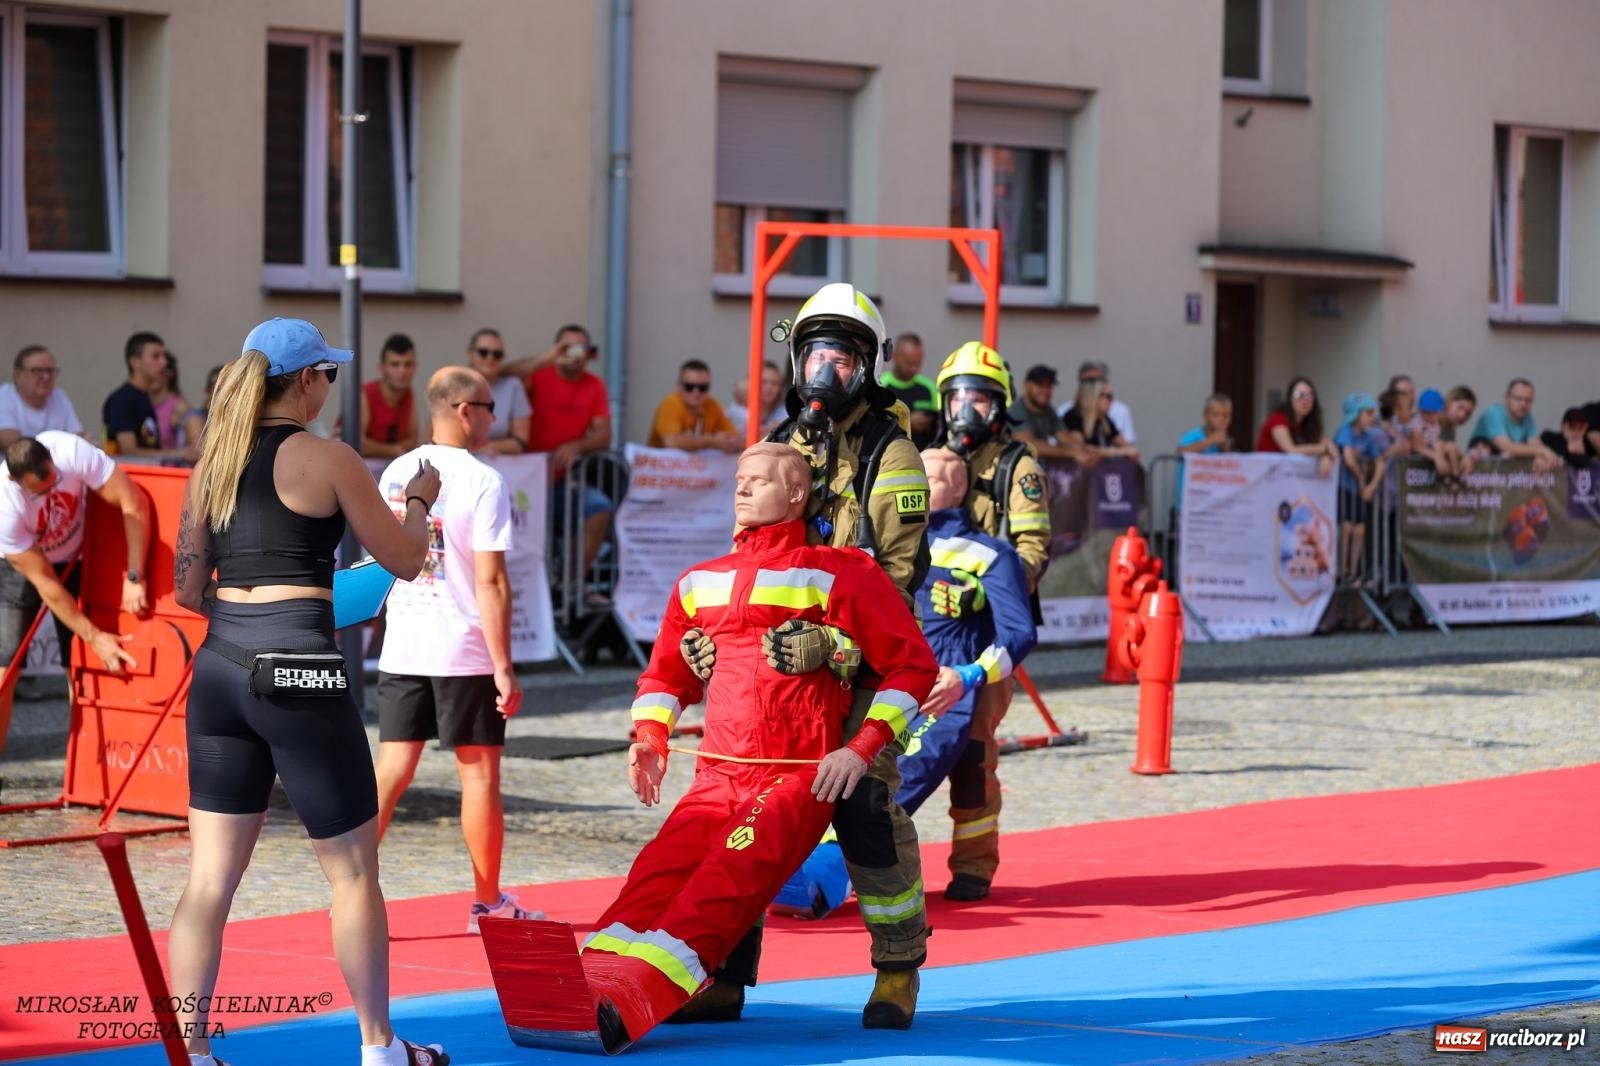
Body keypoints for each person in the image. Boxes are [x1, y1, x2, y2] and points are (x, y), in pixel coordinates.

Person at [558, 443, 936, 1049]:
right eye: (738, 479)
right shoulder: (698, 582)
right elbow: (663, 677)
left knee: (724, 882)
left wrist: (858, 748)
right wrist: (650, 736)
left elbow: (912, 667)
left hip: (797, 776)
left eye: (757, 481)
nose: (741, 488)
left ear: (796, 494)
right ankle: (582, 986)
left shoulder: (844, 572)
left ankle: (633, 998)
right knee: (652, 876)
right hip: (716, 776)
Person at [168, 317, 450, 1066]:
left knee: (207, 880)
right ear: (305, 380)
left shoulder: (212, 465)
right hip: (298, 665)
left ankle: (191, 1053)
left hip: (221, 665)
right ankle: (381, 1047)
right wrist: (418, 499)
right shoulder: (328, 457)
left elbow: (188, 589)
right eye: (328, 374)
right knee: (353, 871)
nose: (331, 386)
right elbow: (406, 559)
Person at [675, 282, 932, 1029]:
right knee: (749, 811)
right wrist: (714, 635)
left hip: (861, 669)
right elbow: (748, 555)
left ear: (869, 368)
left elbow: (896, 584)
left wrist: (836, 645)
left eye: (844, 359)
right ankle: (722, 974)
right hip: (772, 669)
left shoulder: (896, 456)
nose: (827, 373)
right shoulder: (780, 442)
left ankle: (896, 969)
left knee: (863, 807)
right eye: (816, 354)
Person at [373, 367, 538, 934]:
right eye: (490, 406)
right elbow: (492, 583)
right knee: (479, 776)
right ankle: (487, 903)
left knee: (390, 771)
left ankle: (353, 894)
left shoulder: (396, 471)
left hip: (405, 641)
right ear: (466, 411)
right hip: (463, 646)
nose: (496, 417)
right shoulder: (483, 481)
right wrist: (505, 667)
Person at [896, 449, 1034, 889]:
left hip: (967, 679)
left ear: (957, 489)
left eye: (932, 478)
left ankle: (973, 866)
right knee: (886, 775)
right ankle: (867, 867)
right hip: (901, 679)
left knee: (972, 767)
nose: (919, 483)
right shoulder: (889, 544)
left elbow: (1020, 634)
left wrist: (971, 675)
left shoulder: (989, 554)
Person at [0, 434, 147, 674]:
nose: (50, 496)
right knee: (6, 664)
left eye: (54, 482)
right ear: (14, 480)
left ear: (51, 458)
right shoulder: (4, 506)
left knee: (78, 662)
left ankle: (76, 712)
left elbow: (132, 501)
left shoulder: (70, 451)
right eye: (39, 493)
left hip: (74, 556)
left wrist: (134, 575)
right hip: (21, 565)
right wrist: (96, 637)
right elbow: (46, 582)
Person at [505, 324, 613, 583]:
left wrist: (577, 446)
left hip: (561, 483)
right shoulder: (538, 376)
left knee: (599, 507)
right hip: (523, 483)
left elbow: (604, 435)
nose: (573, 354)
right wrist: (547, 358)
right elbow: (504, 376)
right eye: (566, 347)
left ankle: (570, 586)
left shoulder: (594, 385)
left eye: (579, 348)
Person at [104, 331, 190, 461]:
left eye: (164, 356)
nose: (164, 362)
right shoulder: (122, 400)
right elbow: (128, 451)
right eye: (156, 356)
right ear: (135, 362)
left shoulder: (144, 397)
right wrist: (178, 454)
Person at [1334, 393, 1388, 585]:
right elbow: (1348, 460)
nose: (1372, 417)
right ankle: (1341, 569)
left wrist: (1371, 486)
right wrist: (1362, 480)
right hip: (1343, 487)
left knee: (1360, 530)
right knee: (1346, 527)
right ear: (1356, 414)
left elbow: (1379, 460)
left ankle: (1353, 571)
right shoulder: (1346, 431)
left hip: (1357, 489)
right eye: (1368, 413)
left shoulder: (1367, 437)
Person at [647, 359, 742, 452]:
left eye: (702, 388)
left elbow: (737, 439)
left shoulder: (712, 405)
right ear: (679, 386)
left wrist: (728, 442)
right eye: (689, 387)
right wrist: (711, 441)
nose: (696, 392)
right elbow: (672, 442)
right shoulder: (670, 404)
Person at [0, 346, 86, 447]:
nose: (46, 377)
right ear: (17, 375)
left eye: (50, 371)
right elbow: (14, 446)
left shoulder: (59, 397)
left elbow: (79, 438)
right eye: (37, 371)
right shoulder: (4, 397)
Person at [1469, 378, 1560, 473]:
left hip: (1505, 475)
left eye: (1528, 400)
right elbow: (1507, 447)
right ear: (1506, 399)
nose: (1523, 404)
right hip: (1478, 475)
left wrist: (1540, 456)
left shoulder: (1527, 416)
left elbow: (1534, 443)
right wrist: (1542, 451)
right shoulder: (1493, 413)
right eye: (1518, 399)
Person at [465, 328, 532, 454]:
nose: (490, 358)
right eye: (483, 352)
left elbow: (520, 441)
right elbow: (435, 437)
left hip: (499, 466)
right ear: (470, 353)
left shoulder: (513, 386)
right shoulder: (454, 385)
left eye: (497, 354)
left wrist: (482, 447)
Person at [1255, 376, 1338, 477]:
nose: (1305, 399)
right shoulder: (1278, 419)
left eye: (1310, 395)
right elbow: (1291, 450)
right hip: (1265, 478)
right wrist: (1324, 449)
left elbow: (1331, 448)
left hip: (1288, 479)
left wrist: (1326, 456)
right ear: (1290, 399)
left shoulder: (1308, 424)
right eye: (1299, 395)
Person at [360, 334, 422, 460]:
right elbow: (356, 443)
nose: (402, 371)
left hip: (390, 464)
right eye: (395, 364)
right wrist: (394, 450)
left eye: (408, 364)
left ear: (415, 367)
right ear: (381, 368)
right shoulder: (366, 394)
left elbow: (413, 440)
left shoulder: (408, 392)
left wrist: (389, 451)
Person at [1007, 364, 1083, 465]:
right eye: (1040, 385)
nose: (1045, 391)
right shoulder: (1016, 410)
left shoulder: (1048, 410)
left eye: (1049, 386)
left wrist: (1085, 450)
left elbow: (1064, 437)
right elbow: (1028, 444)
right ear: (1027, 385)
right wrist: (1072, 453)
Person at [879, 332, 940, 448]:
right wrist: (908, 422)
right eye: (909, 363)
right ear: (894, 357)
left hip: (924, 457)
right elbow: (875, 427)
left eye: (918, 363)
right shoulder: (881, 386)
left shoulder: (928, 387)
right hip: (891, 457)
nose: (914, 369)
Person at [1062, 375, 1141, 464]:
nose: (1111, 400)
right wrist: (1117, 452)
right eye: (1107, 396)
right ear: (1092, 397)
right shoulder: (1073, 416)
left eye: (1111, 396)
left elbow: (1127, 446)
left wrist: (1129, 451)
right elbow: (1082, 448)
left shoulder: (1104, 420)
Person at [1056, 360, 1136, 443]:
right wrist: (1115, 452)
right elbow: (1082, 451)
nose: (1110, 400)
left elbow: (1129, 448)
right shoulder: (1071, 415)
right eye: (1086, 382)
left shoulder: (1107, 417)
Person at [1174, 393, 1234, 501]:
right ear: (1206, 417)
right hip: (1191, 499)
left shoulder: (1225, 440)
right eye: (1216, 415)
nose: (1221, 419)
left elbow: (1229, 466)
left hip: (1213, 499)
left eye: (1226, 415)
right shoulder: (1195, 435)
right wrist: (1210, 441)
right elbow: (1180, 452)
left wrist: (1224, 446)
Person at [1414, 388, 1469, 481]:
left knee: (1451, 446)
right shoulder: (1417, 424)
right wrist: (1437, 458)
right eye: (1427, 412)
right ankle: (1442, 470)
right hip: (1427, 452)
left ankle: (1455, 475)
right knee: (1439, 445)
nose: (1431, 416)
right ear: (1421, 411)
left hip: (1436, 449)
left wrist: (1465, 456)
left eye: (1434, 412)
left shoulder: (1437, 425)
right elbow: (1417, 446)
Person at [725, 360, 787, 440]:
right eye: (764, 382)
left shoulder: (784, 414)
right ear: (751, 383)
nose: (769, 388)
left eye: (774, 383)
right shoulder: (735, 413)